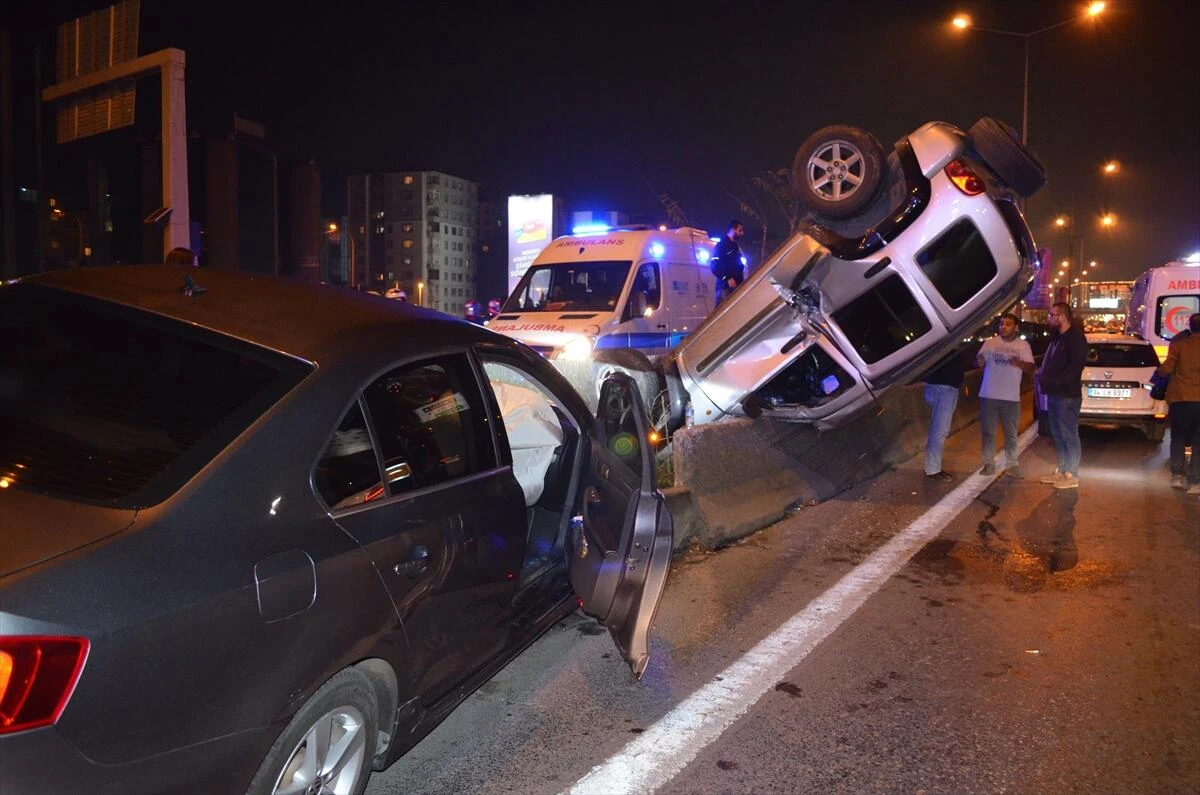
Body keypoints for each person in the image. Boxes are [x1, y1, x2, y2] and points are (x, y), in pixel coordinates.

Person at [1037, 302, 1088, 489]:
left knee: (1069, 434)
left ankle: (1072, 474)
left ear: (1063, 316)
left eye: (1053, 315)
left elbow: (1075, 367)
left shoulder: (1076, 338)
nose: (1050, 318)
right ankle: (1063, 469)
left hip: (1067, 395)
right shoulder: (1057, 338)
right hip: (1054, 394)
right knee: (1057, 434)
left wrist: (1056, 381)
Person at [977, 313, 1035, 477]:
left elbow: (1031, 367)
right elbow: (979, 359)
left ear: (1016, 327)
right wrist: (980, 360)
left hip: (1010, 397)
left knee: (1010, 434)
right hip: (988, 395)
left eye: (1008, 324)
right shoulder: (991, 343)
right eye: (1002, 324)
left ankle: (1011, 464)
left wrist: (1019, 363)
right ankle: (988, 464)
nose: (1003, 327)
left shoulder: (1023, 346)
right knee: (988, 432)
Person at [1158, 312, 1200, 494]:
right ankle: (1196, 480)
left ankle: (1178, 475)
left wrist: (1159, 371)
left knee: (1178, 437)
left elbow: (1167, 368)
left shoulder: (1179, 345)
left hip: (1181, 399)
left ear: (1190, 326)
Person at [921, 351, 965, 481]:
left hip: (938, 386)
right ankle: (933, 469)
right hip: (944, 388)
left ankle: (931, 467)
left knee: (938, 429)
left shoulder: (939, 342)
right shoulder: (947, 342)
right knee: (940, 430)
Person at [710, 220, 745, 307]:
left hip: (736, 287)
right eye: (740, 230)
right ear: (733, 230)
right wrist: (728, 278)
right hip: (725, 288)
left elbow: (739, 264)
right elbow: (714, 266)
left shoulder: (735, 246)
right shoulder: (722, 245)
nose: (742, 233)